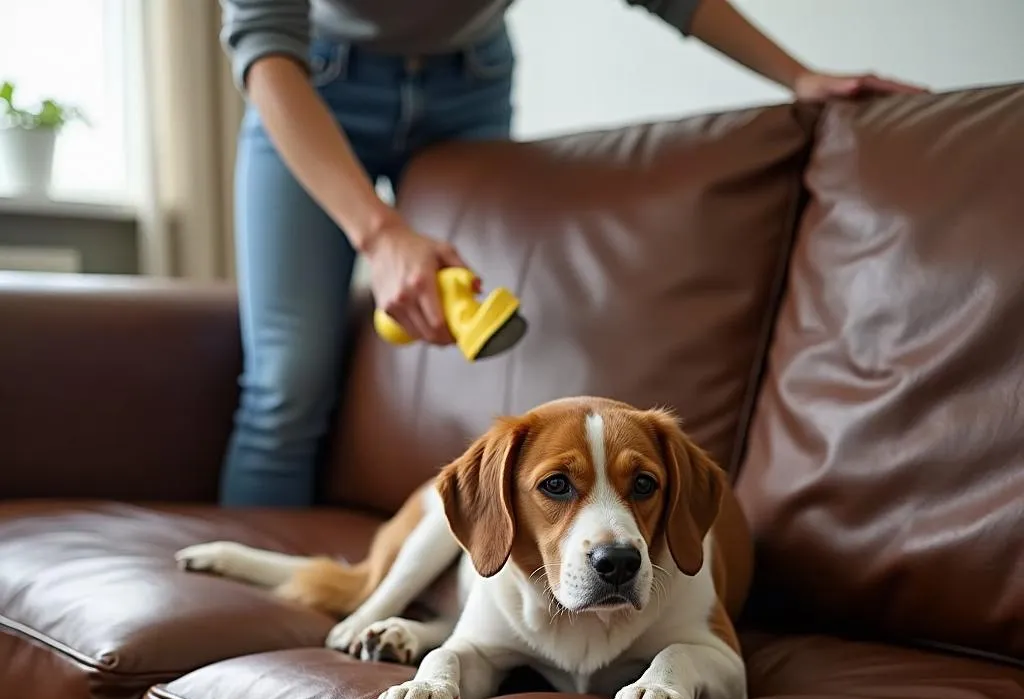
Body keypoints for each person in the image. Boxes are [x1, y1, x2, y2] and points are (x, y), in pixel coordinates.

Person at [218, 0, 924, 508]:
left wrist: (798, 77)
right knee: (287, 377)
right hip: (309, 80)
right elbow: (264, 45)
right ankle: (243, 626)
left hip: (469, 82)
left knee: (475, 359)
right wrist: (379, 233)